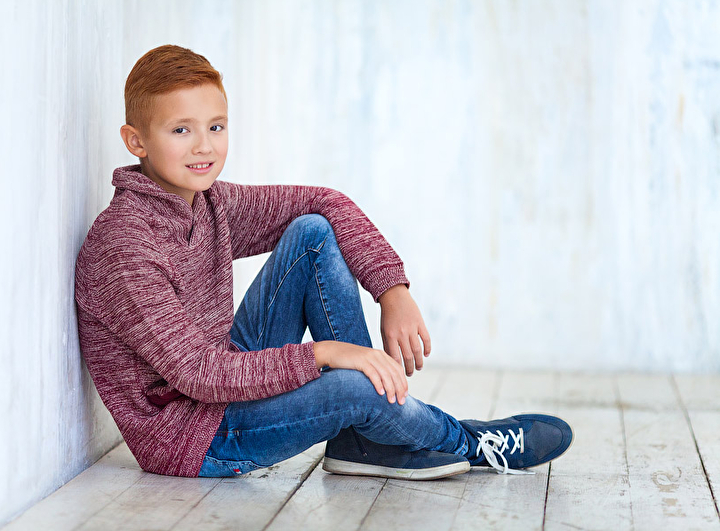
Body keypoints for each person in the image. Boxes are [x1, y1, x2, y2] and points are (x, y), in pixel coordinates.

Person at [74, 44, 573, 480]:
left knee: (312, 232)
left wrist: (392, 291)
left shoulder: (207, 203)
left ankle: (365, 438)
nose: (204, 145)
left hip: (223, 384)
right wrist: (328, 353)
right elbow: (200, 374)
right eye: (181, 129)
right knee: (357, 384)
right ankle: (467, 443)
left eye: (216, 126)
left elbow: (324, 202)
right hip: (196, 436)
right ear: (136, 141)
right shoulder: (126, 246)